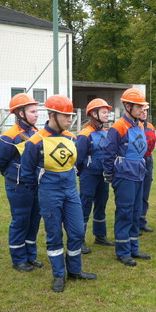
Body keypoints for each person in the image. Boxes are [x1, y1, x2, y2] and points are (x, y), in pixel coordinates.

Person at [21, 95, 97, 293]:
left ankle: (75, 270)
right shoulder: (35, 141)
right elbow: (28, 173)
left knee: (77, 232)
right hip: (49, 193)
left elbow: (76, 164)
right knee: (54, 234)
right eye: (65, 116)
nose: (69, 120)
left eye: (70, 116)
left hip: (71, 191)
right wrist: (41, 193)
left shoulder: (71, 138)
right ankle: (59, 275)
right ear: (52, 115)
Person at [0, 93, 42, 272]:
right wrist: (14, 176)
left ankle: (31, 256)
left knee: (34, 220)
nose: (37, 114)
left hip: (35, 185)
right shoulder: (9, 137)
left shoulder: (36, 133)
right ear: (20, 113)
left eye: (37, 111)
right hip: (18, 186)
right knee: (21, 220)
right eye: (33, 111)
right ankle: (19, 259)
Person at [102, 88, 151, 267]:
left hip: (138, 173)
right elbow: (108, 152)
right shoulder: (118, 128)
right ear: (128, 106)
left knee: (136, 211)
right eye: (138, 107)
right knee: (124, 212)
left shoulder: (138, 125)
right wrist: (109, 173)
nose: (141, 110)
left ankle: (133, 248)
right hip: (124, 175)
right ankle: (123, 251)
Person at [76, 98, 113, 253]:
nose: (107, 115)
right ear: (94, 113)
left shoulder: (106, 133)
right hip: (89, 175)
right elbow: (79, 158)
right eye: (104, 112)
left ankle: (100, 236)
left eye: (107, 112)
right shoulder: (85, 134)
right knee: (85, 206)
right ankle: (79, 241)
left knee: (101, 205)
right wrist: (82, 171)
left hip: (102, 175)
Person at [139, 104, 156, 233]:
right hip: (137, 161)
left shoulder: (150, 127)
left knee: (145, 193)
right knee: (136, 194)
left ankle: (142, 220)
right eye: (142, 110)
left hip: (148, 159)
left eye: (145, 110)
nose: (144, 112)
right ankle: (134, 222)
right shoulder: (132, 127)